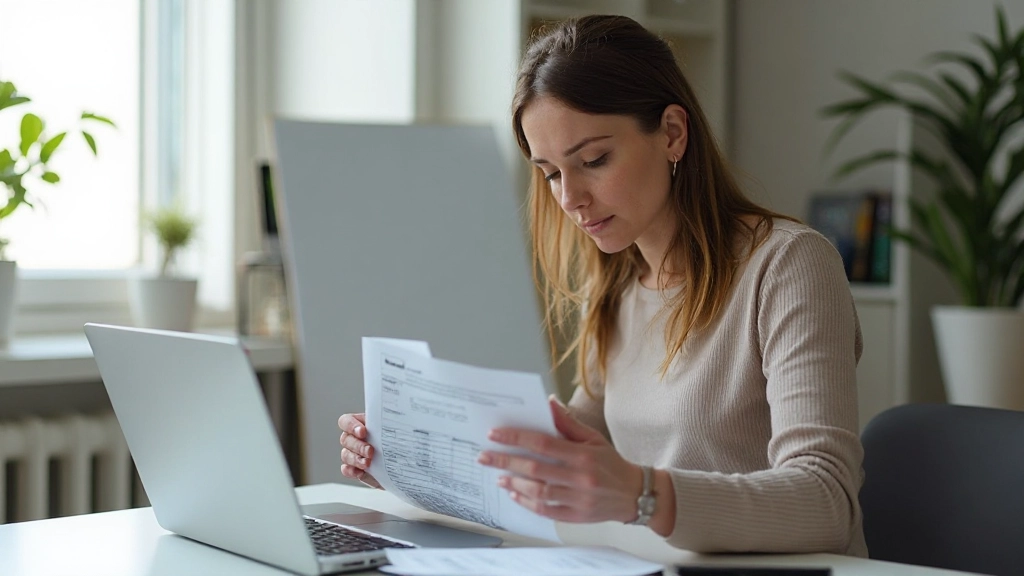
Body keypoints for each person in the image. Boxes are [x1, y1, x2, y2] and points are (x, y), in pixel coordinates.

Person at [337, 14, 866, 556]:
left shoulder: (788, 265)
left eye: (593, 160)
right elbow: (567, 448)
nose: (569, 198)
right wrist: (412, 461)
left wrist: (641, 494)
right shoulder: (617, 284)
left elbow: (825, 501)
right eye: (550, 173)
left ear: (673, 134)